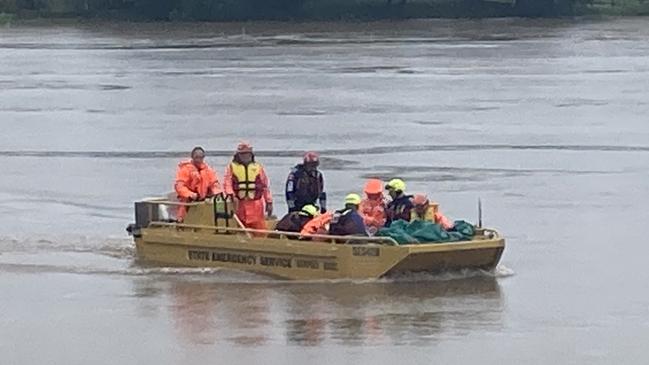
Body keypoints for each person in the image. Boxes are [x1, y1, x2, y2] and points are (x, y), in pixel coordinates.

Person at [223, 142, 273, 231]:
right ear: (238, 155)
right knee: (239, 227)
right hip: (238, 204)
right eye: (242, 154)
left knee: (259, 230)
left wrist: (269, 202)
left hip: (256, 204)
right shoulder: (232, 167)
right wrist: (232, 195)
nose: (245, 156)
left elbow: (265, 186)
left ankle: (260, 242)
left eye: (247, 153)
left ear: (251, 154)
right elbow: (227, 183)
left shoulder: (258, 167)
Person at [174, 146, 222, 222]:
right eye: (196, 157)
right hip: (188, 202)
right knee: (184, 221)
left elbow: (214, 183)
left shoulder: (207, 170)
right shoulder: (185, 169)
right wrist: (190, 194)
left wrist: (217, 192)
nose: (198, 160)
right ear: (192, 157)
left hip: (203, 202)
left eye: (201, 157)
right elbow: (179, 186)